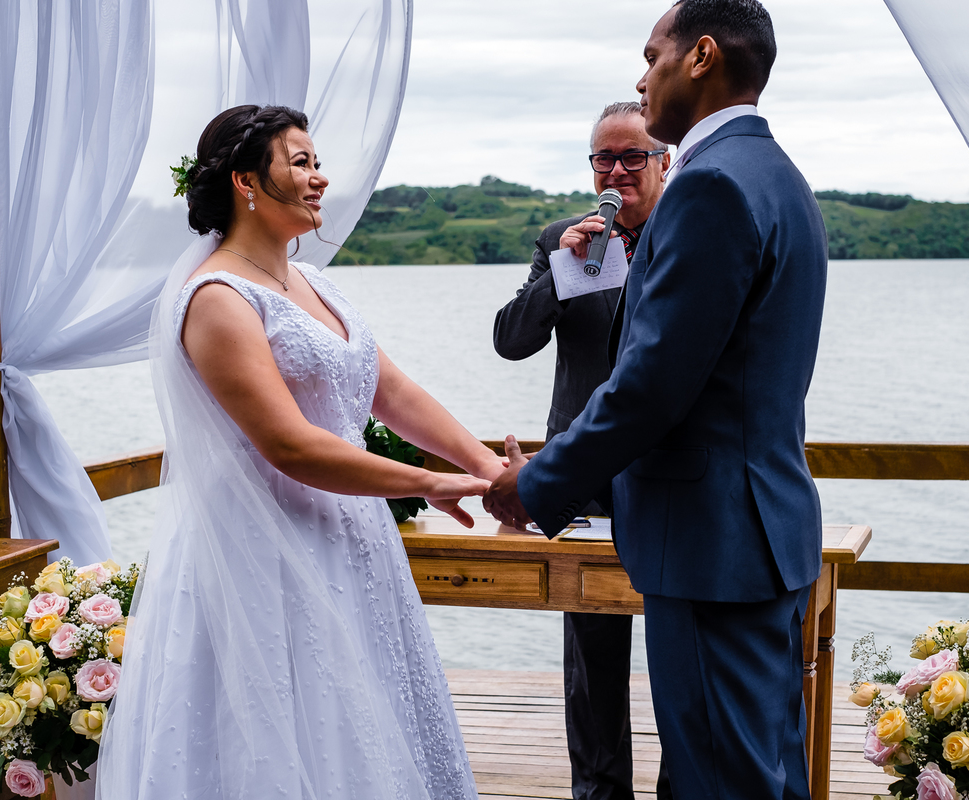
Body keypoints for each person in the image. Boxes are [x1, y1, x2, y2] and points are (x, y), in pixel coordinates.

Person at [97, 104, 502, 799]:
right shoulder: (218, 299)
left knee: (369, 725)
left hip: (353, 540)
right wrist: (425, 484)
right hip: (263, 550)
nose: (320, 179)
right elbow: (288, 444)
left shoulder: (318, 285)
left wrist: (489, 469)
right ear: (247, 181)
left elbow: (393, 392)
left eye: (317, 163)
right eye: (302, 162)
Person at [483, 1, 828, 797]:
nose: (643, 80)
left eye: (652, 56)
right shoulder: (778, 175)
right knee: (762, 770)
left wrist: (532, 485)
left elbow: (650, 386)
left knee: (716, 780)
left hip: (711, 543)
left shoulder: (708, 188)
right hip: (760, 533)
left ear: (701, 56)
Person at [492, 101, 670, 800]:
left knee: (679, 647)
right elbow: (511, 340)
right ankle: (600, 793)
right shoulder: (561, 238)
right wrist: (561, 272)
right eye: (605, 158)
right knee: (593, 655)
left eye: (633, 156)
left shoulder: (689, 231)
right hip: (584, 473)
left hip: (666, 473)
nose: (618, 170)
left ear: (664, 160)